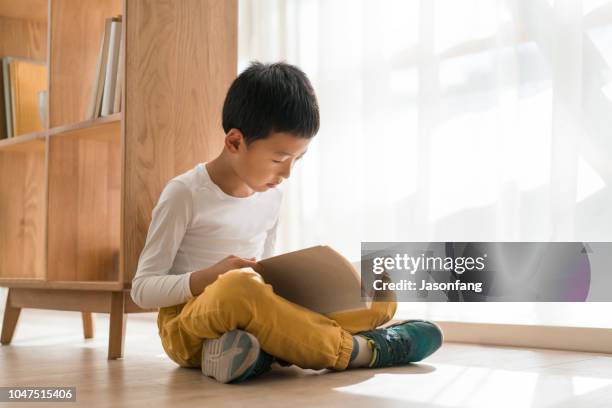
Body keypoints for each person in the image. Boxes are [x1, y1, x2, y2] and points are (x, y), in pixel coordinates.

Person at [130, 61, 443, 384]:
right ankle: (364, 350)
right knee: (239, 287)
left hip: (251, 311)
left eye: (298, 160)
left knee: (377, 286)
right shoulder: (184, 193)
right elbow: (142, 290)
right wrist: (209, 278)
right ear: (234, 142)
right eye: (279, 159)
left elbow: (266, 275)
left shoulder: (271, 197)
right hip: (186, 326)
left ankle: (251, 354)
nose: (287, 173)